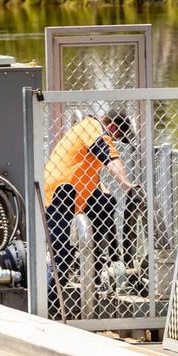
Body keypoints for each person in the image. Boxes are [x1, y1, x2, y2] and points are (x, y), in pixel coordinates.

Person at [43, 109, 136, 285]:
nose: (115, 141)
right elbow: (109, 156)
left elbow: (84, 166)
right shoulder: (94, 129)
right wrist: (126, 185)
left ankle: (95, 261)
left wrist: (100, 188)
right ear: (113, 127)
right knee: (60, 260)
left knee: (107, 202)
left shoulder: (86, 126)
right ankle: (49, 304)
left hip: (77, 193)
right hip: (60, 194)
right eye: (116, 137)